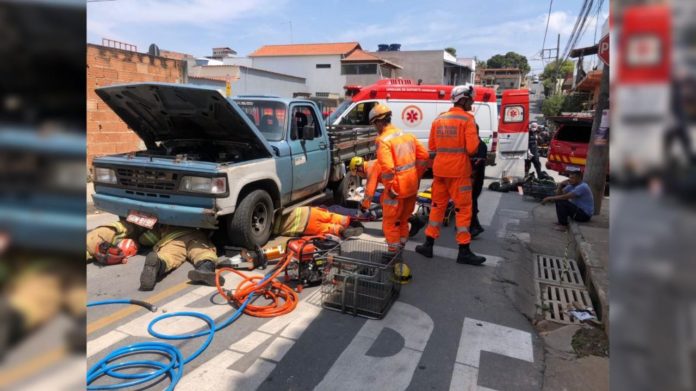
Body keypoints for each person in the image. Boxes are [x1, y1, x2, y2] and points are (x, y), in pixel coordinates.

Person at [416, 84, 486, 265]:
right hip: (459, 172)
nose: (472, 102)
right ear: (463, 99)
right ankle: (464, 250)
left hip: (440, 171)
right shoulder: (467, 120)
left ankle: (428, 245)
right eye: (471, 99)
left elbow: (432, 147)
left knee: (437, 207)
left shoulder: (439, 120)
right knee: (463, 210)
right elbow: (472, 149)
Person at [361, 103, 429, 252]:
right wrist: (416, 176)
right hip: (411, 186)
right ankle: (401, 248)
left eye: (374, 124)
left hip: (396, 190)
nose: (375, 128)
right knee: (403, 220)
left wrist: (391, 187)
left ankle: (393, 254)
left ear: (379, 121)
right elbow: (424, 156)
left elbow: (388, 168)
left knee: (390, 224)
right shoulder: (406, 135)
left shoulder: (383, 140)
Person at [85, 220, 224, 291]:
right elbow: (146, 238)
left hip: (171, 237)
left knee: (168, 257)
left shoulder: (117, 230)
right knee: (202, 251)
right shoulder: (115, 232)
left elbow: (146, 238)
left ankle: (158, 264)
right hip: (189, 235)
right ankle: (205, 269)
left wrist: (143, 240)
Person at [273, 206, 364, 238]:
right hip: (309, 212)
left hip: (306, 227)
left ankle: (341, 231)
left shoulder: (273, 230)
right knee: (331, 216)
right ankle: (349, 220)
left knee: (329, 228)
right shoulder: (274, 211)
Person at [470, 124, 487, 238]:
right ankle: (474, 226)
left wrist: (471, 179)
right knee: (471, 202)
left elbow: (477, 164)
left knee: (470, 202)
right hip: (473, 179)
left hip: (475, 180)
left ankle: (474, 227)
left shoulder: (480, 145)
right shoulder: (475, 144)